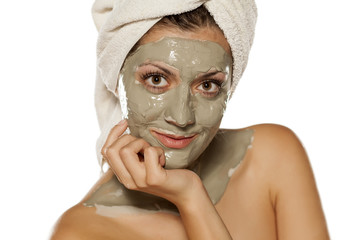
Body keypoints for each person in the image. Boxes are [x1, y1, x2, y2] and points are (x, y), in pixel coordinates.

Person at [51, 0, 330, 239]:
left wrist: (191, 196)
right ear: (116, 80)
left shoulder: (270, 156)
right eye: (156, 79)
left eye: (207, 85)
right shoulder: (83, 231)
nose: (182, 117)